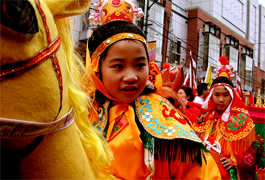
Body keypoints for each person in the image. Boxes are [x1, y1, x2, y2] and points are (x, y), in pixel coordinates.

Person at [81, 2, 221, 178]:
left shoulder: (163, 114)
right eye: (118, 66)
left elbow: (200, 172)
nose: (131, 76)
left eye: (140, 65)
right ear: (96, 69)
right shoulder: (81, 112)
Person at [192, 56, 262, 180]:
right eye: (217, 95)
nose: (221, 99)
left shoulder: (242, 120)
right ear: (211, 97)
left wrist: (235, 162)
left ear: (232, 97)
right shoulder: (204, 118)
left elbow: (252, 152)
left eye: (225, 95)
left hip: (227, 174)